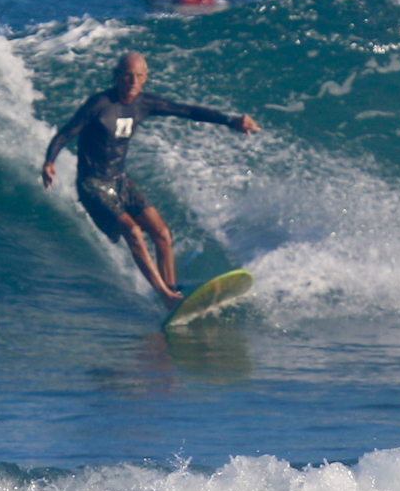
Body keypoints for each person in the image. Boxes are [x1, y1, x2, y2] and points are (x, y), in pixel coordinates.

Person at [41, 52, 258, 304]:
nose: (133, 81)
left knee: (162, 233)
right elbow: (65, 134)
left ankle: (172, 289)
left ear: (145, 78)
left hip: (120, 180)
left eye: (139, 76)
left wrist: (230, 121)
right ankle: (164, 296)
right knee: (132, 230)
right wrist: (49, 161)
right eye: (127, 75)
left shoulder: (144, 103)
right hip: (93, 184)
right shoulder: (98, 104)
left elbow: (186, 111)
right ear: (116, 77)